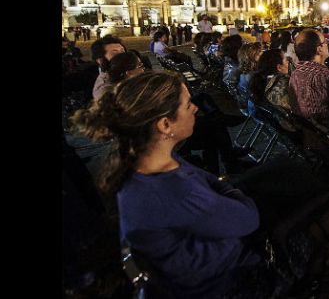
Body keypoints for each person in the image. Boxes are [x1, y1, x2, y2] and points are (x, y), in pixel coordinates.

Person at [69, 72, 294, 298]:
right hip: (226, 281)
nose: (195, 108)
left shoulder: (139, 165)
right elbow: (247, 218)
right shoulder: (173, 189)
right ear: (165, 124)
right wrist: (227, 189)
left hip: (191, 268)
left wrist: (220, 188)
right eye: (188, 105)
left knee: (282, 171)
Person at [288, 29, 329, 121]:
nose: (327, 44)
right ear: (319, 49)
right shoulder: (323, 76)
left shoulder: (295, 73)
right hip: (325, 131)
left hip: (306, 130)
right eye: (325, 41)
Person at [249, 48, 291, 114]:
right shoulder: (285, 84)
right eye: (286, 60)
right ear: (279, 67)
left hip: (266, 117)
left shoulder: (260, 79)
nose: (288, 63)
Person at [90, 35, 127, 100]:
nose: (122, 56)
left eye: (122, 51)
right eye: (115, 53)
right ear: (100, 60)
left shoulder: (126, 73)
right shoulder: (105, 90)